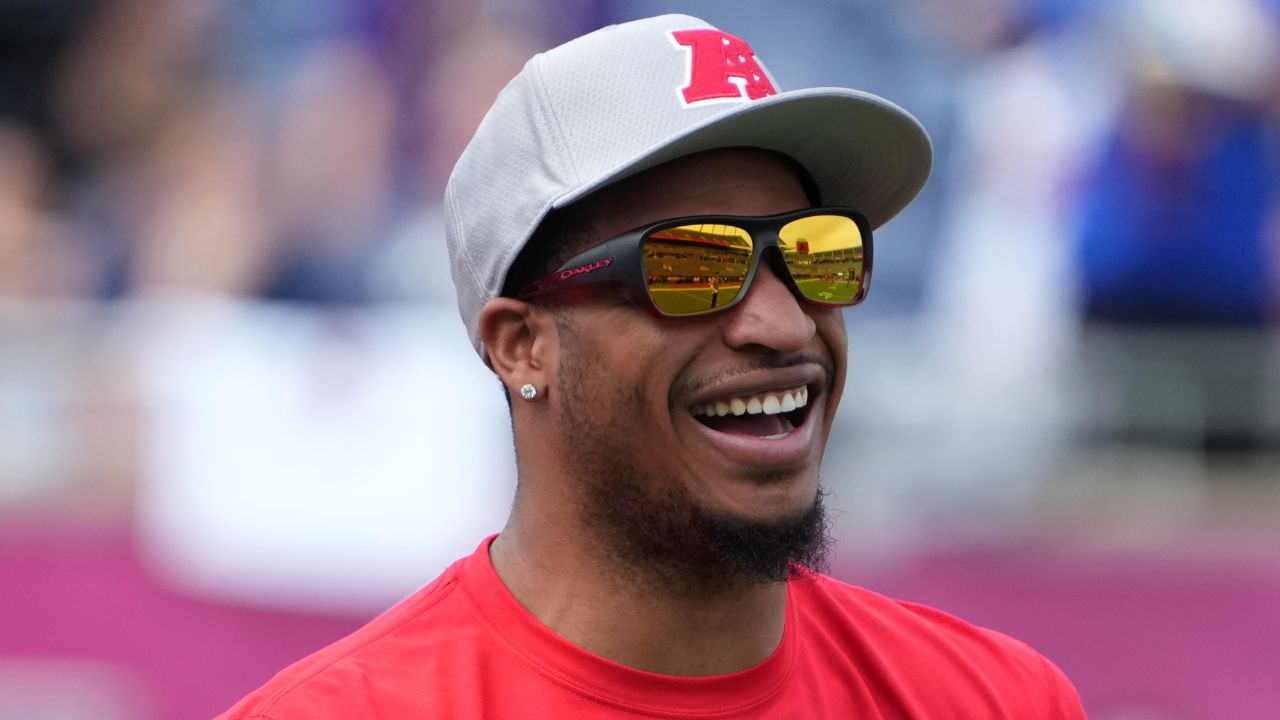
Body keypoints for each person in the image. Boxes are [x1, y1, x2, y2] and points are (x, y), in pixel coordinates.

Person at [219, 15, 1086, 718]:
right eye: (692, 266)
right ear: (523, 345)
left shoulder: (996, 701)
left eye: (815, 253)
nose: (783, 322)